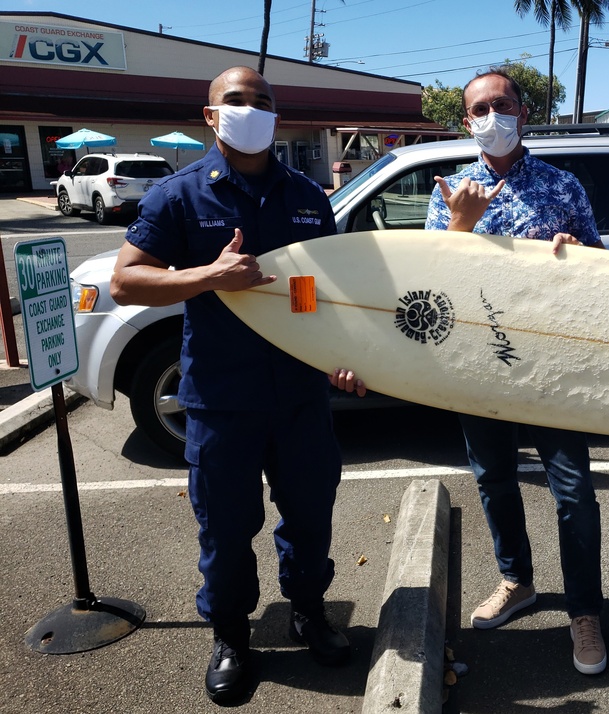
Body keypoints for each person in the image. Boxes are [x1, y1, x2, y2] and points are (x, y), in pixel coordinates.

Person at [110, 66, 365, 704]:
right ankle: (231, 635)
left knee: (309, 516)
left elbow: (316, 292)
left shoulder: (308, 195)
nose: (251, 110)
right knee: (226, 527)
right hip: (222, 399)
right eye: (237, 101)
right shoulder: (179, 196)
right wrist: (206, 276)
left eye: (263, 102)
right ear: (210, 115)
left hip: (302, 396)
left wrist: (337, 353)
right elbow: (126, 281)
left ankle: (309, 612)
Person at [424, 68, 608, 675]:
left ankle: (585, 611)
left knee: (574, 490)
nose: (491, 115)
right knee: (494, 478)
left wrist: (578, 256)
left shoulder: (562, 185)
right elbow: (431, 285)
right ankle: (517, 581)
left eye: (501, 104)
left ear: (523, 112)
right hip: (480, 363)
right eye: (479, 108)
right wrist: (461, 225)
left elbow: (602, 275)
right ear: (467, 120)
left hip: (553, 365)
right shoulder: (449, 190)